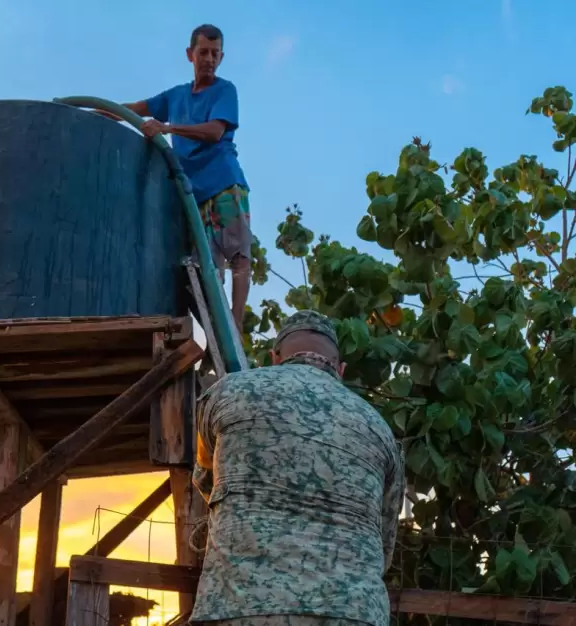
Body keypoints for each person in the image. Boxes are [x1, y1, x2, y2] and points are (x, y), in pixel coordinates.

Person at [189, 310, 405, 626]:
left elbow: (207, 479)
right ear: (340, 370)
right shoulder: (381, 430)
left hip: (242, 606)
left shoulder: (227, 393)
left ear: (275, 357)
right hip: (354, 613)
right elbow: (384, 542)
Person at [109, 23, 251, 331]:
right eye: (203, 52)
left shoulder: (225, 90)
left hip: (224, 185)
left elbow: (215, 132)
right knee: (206, 272)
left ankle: (236, 329)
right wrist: (101, 112)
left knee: (238, 257)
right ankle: (219, 332)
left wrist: (168, 128)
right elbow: (136, 108)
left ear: (222, 57)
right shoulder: (176, 96)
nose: (209, 59)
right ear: (190, 54)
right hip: (193, 196)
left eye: (215, 54)